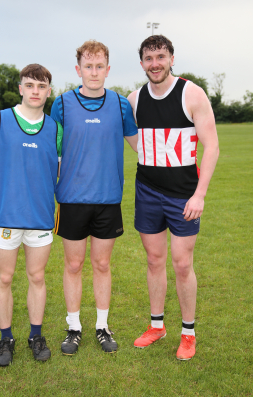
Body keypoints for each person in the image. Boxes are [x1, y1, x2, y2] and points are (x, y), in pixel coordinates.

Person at [128, 35, 219, 360]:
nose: (155, 63)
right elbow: (135, 140)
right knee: (154, 261)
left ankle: (188, 333)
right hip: (148, 192)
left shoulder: (191, 93)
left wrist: (199, 194)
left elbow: (212, 146)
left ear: (171, 59)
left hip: (183, 196)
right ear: (142, 64)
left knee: (182, 264)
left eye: (161, 57)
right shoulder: (134, 99)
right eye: (149, 58)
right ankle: (157, 326)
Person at [50, 40, 138, 355]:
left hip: (108, 199)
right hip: (72, 199)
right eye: (88, 66)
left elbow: (140, 146)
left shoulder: (120, 105)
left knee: (102, 263)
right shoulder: (61, 103)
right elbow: (52, 148)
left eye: (99, 66)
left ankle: (102, 326)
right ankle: (74, 327)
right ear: (78, 70)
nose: (94, 72)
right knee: (73, 264)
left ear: (108, 69)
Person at [0, 64, 60, 366]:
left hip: (40, 218)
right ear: (21, 88)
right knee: (5, 277)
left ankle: (36, 335)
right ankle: (6, 337)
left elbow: (59, 173)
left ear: (49, 91)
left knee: (37, 276)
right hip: (5, 218)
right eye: (30, 85)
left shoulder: (55, 128)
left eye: (41, 86)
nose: (35, 91)